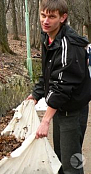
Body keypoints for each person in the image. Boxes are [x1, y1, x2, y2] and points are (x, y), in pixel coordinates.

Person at [26, 0, 91, 173]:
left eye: (52, 17)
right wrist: (35, 94)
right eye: (43, 15)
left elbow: (62, 86)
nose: (45, 21)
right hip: (60, 109)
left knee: (72, 162)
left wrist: (45, 120)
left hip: (73, 110)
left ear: (63, 18)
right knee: (59, 157)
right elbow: (48, 72)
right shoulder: (48, 37)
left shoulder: (69, 45)